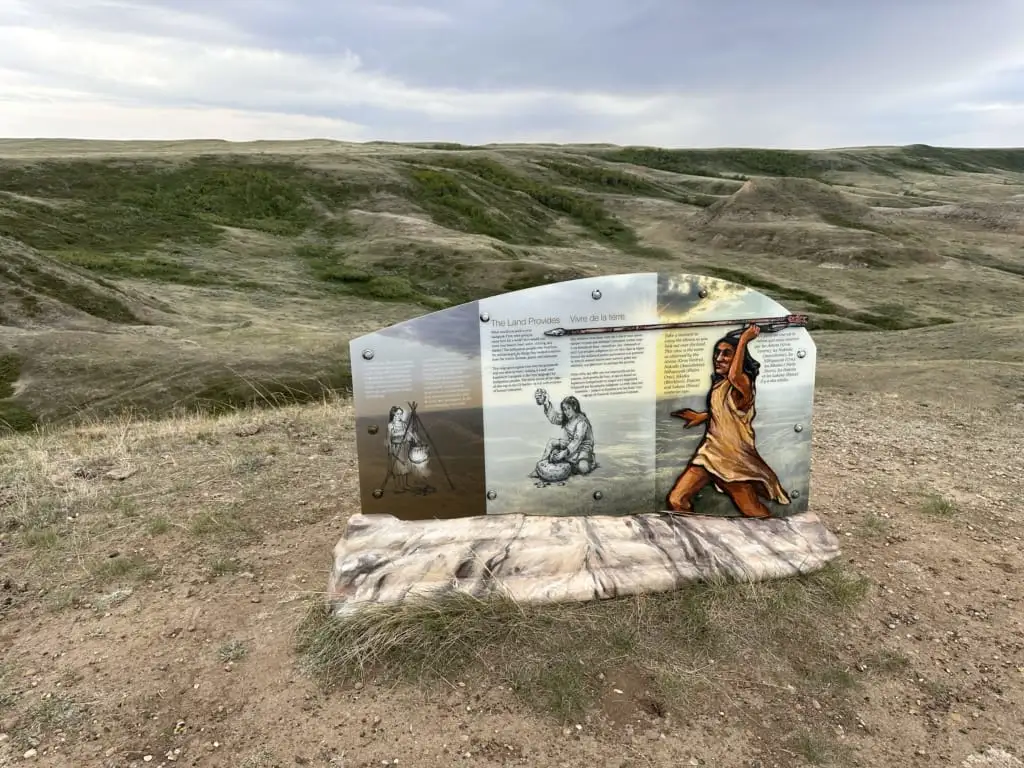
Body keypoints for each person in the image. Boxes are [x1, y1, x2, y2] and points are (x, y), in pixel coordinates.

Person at [665, 323, 791, 518]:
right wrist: (702, 416)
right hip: (710, 452)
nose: (719, 358)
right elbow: (725, 412)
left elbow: (735, 376)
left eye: (726, 354)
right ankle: (698, 538)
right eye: (717, 353)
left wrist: (744, 340)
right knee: (677, 499)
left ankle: (779, 537)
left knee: (754, 512)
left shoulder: (743, 384)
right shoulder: (720, 386)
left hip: (732, 458)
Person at [534, 389, 596, 476]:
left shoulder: (582, 421)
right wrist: (546, 402)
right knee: (552, 442)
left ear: (574, 407)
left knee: (583, 468)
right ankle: (542, 463)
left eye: (568, 408)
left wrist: (564, 453)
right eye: (564, 409)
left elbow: (577, 441)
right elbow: (554, 418)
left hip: (583, 448)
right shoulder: (567, 418)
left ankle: (588, 459)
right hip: (570, 445)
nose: (566, 412)